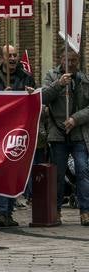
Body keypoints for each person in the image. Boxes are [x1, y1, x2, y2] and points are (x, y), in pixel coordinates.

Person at [0, 44, 36, 228]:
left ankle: (9, 211)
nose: (13, 58)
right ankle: (1, 212)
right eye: (9, 55)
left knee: (14, 171)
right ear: (2, 57)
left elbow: (34, 102)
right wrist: (0, 97)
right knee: (1, 172)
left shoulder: (26, 77)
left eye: (15, 55)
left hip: (18, 131)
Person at [43, 49, 89, 226]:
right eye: (67, 60)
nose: (70, 64)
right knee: (58, 174)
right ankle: (56, 211)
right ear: (60, 60)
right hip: (58, 133)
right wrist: (59, 84)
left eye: (74, 61)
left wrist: (76, 119)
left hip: (79, 133)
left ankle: (85, 211)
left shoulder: (84, 79)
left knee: (83, 171)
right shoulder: (51, 76)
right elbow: (43, 97)